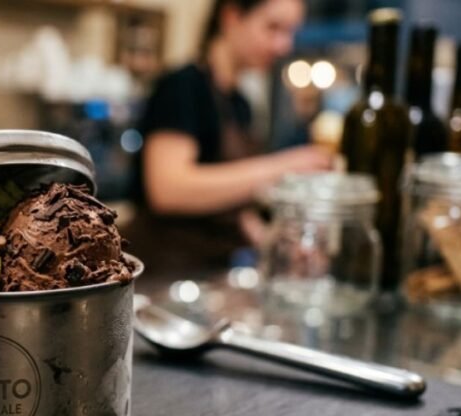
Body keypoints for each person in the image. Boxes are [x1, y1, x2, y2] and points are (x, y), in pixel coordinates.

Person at [127, 0, 333, 276]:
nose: (284, 46)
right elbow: (167, 189)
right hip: (161, 272)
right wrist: (282, 167)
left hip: (212, 273)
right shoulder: (183, 86)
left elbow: (234, 210)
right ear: (232, 17)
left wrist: (278, 244)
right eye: (273, 28)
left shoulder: (240, 105)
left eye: (290, 32)